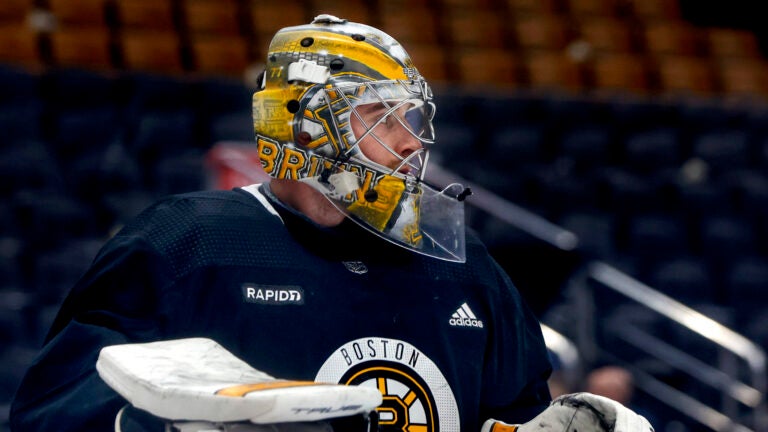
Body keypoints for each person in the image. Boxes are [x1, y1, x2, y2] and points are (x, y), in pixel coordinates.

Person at [10, 15, 650, 432]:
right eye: (382, 117)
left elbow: (514, 409)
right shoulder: (185, 243)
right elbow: (49, 414)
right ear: (304, 122)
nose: (409, 144)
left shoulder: (464, 263)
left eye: (414, 121)